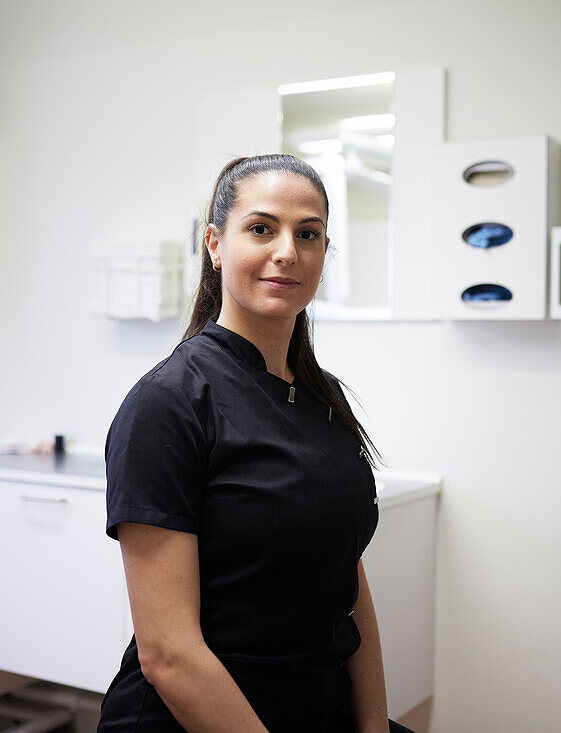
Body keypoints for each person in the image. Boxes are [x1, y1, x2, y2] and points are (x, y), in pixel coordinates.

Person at [98, 154, 411, 732]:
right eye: (261, 228)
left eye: (309, 234)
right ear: (215, 245)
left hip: (316, 704)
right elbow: (168, 654)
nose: (287, 251)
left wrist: (374, 726)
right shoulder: (169, 403)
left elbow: (346, 571)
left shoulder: (323, 399)